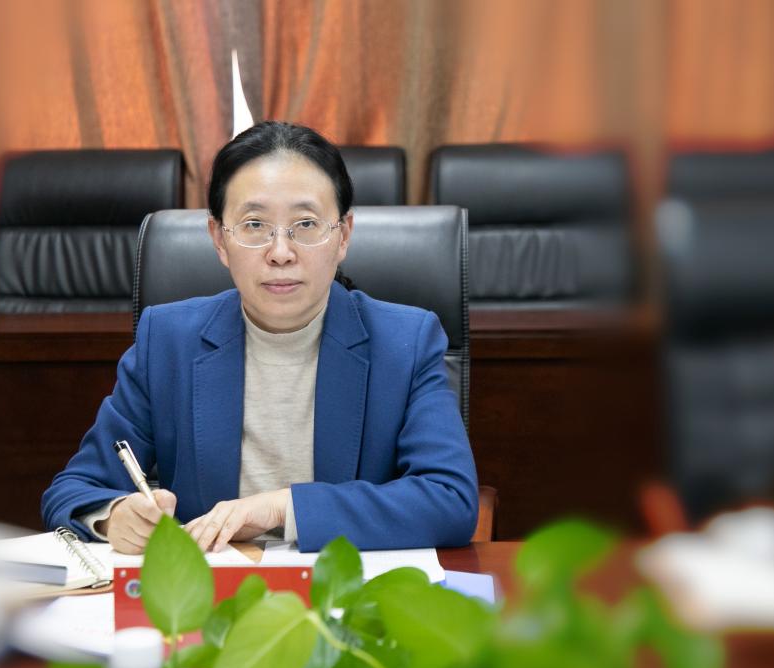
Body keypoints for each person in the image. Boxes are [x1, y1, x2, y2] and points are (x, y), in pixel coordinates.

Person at [41, 121, 478, 553]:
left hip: (343, 587)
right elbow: (74, 489)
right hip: (208, 590)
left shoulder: (405, 342)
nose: (281, 253)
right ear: (219, 239)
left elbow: (451, 499)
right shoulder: (168, 340)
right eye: (254, 225)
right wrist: (113, 515)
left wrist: (283, 508)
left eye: (305, 224)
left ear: (343, 235)